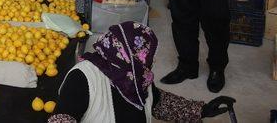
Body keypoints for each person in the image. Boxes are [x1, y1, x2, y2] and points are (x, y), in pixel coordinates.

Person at [48, 21, 237, 123]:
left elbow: (158, 102)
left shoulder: (136, 77)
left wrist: (201, 110)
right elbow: (62, 117)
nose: (152, 61)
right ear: (127, 54)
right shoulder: (83, 77)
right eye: (146, 55)